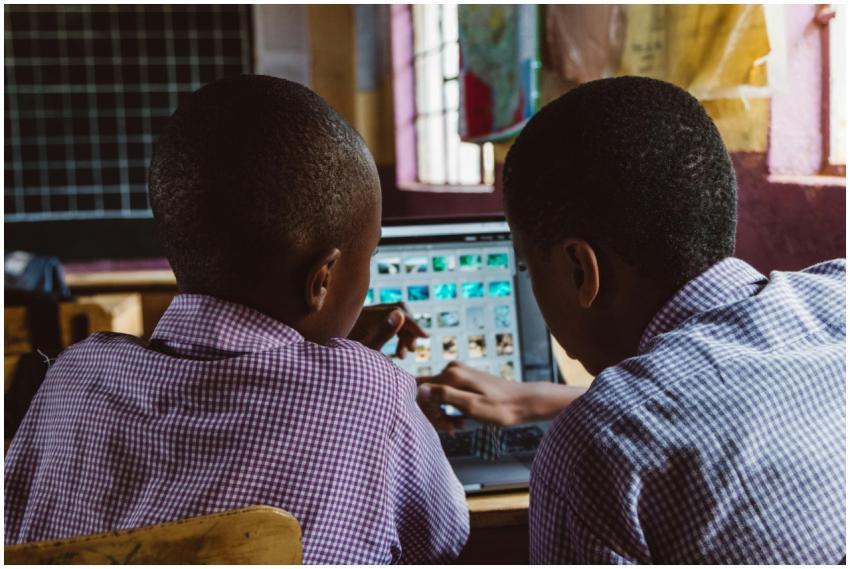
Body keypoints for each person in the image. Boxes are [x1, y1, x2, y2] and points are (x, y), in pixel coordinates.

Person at [4, 75, 469, 564]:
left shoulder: (74, 377)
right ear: (323, 279)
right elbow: (443, 540)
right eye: (369, 253)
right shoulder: (374, 395)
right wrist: (355, 374)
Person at [419, 76, 845, 563]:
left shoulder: (596, 448)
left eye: (526, 265)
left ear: (581, 269)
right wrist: (542, 400)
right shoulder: (838, 290)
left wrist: (581, 414)